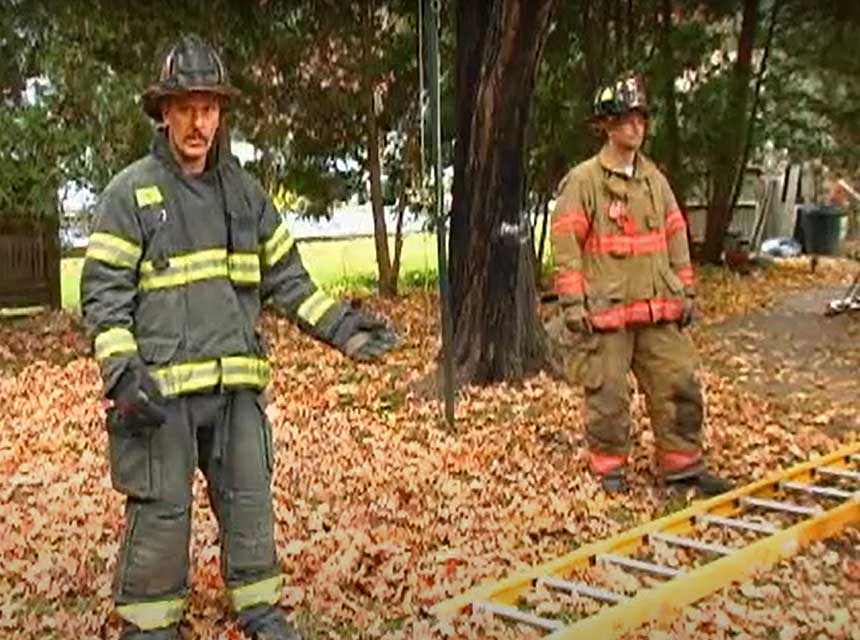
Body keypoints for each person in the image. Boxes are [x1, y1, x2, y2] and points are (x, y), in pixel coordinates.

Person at [80, 34, 397, 640]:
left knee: (250, 501)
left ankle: (259, 608)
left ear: (220, 114)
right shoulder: (131, 194)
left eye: (209, 108)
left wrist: (344, 331)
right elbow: (103, 295)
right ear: (164, 112)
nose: (199, 123)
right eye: (186, 108)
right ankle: (150, 626)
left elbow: (289, 280)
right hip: (160, 397)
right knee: (162, 511)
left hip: (236, 392)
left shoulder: (245, 195)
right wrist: (122, 374)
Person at [549, 74, 731, 495]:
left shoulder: (655, 181)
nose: (637, 127)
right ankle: (609, 473)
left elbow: (675, 234)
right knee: (607, 396)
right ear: (607, 125)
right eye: (627, 119)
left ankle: (683, 467)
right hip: (606, 314)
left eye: (641, 118)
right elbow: (567, 243)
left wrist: (686, 290)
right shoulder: (584, 182)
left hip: (657, 308)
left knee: (678, 381)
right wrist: (573, 304)